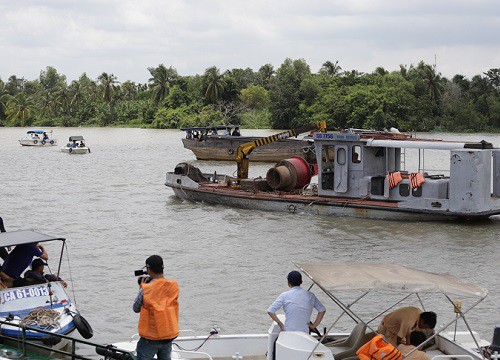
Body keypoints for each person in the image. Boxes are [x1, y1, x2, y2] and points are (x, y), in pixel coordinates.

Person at [133, 255, 180, 360]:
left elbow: (136, 308)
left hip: (150, 338)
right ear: (162, 268)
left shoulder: (146, 289)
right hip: (168, 335)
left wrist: (141, 288)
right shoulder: (173, 286)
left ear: (148, 269)